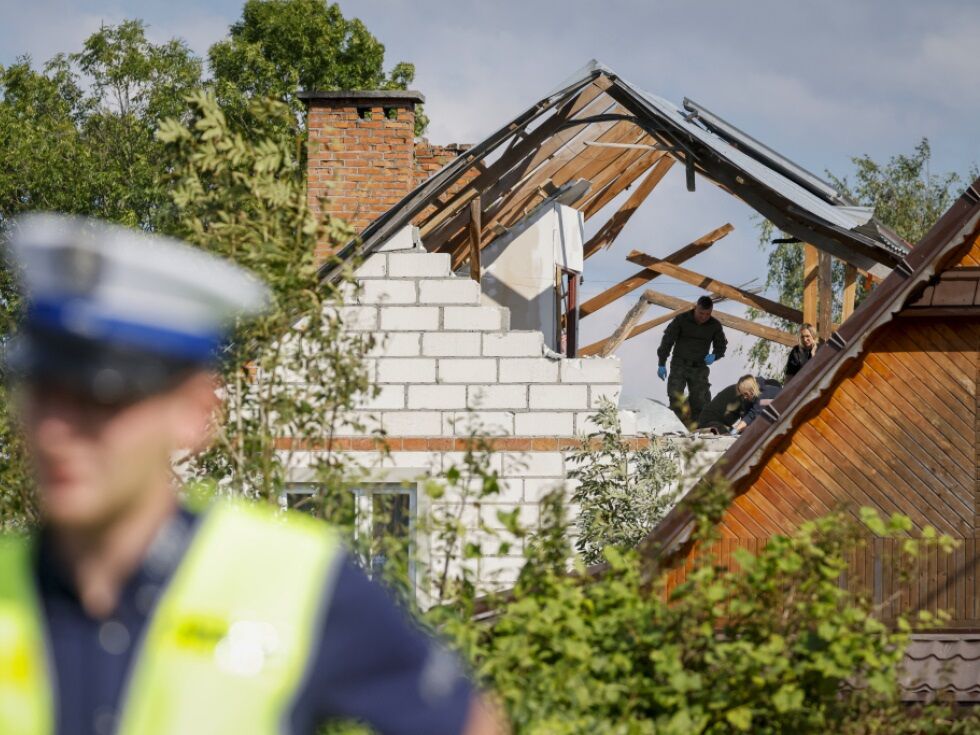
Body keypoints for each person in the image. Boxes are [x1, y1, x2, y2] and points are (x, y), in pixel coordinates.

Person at [0, 214, 505, 735]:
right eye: (43, 393)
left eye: (100, 399)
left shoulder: (298, 581)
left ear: (195, 413)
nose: (56, 432)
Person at [656, 295, 727, 428]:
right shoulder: (681, 320)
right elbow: (667, 341)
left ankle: (698, 430)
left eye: (707, 314)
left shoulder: (714, 326)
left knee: (700, 402)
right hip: (679, 365)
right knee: (676, 397)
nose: (704, 317)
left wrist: (715, 355)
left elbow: (721, 346)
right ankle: (677, 428)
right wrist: (661, 363)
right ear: (695, 308)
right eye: (701, 313)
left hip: (699, 368)